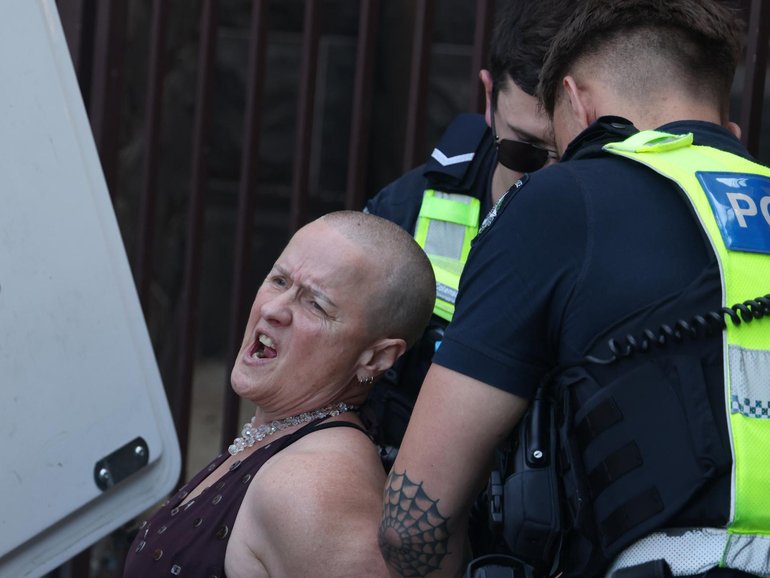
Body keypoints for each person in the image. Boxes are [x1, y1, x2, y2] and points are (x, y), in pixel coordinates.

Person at [379, 1, 770, 577]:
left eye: (556, 148)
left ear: (578, 102)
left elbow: (413, 525)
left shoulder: (560, 201)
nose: (550, 165)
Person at [122, 211, 435, 578]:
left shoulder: (314, 485)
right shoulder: (285, 436)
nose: (272, 309)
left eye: (315, 304)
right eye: (279, 280)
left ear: (376, 358)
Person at [362, 0, 573, 459]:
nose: (551, 182)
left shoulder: (640, 222)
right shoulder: (403, 213)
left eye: (575, 156)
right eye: (528, 151)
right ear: (487, 98)